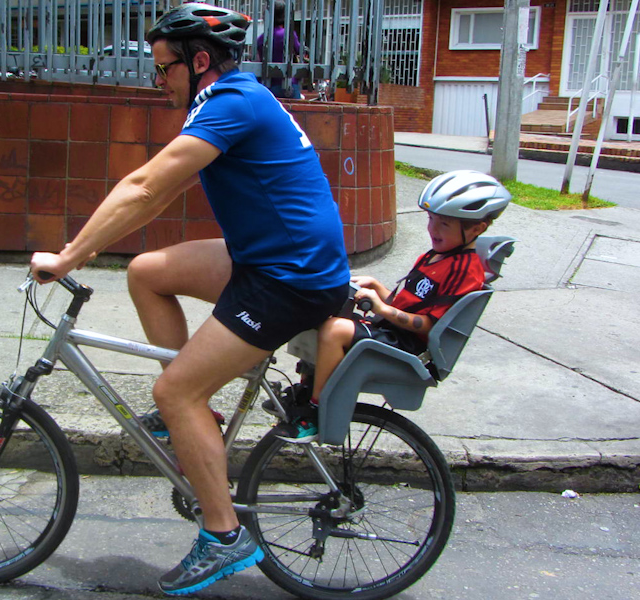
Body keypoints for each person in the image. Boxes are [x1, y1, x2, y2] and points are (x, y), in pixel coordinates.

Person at [28, 2, 350, 595]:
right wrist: (88, 245)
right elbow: (155, 193)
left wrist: (69, 256)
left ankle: (223, 535)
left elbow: (147, 187)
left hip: (289, 276)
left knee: (173, 390)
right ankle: (199, 419)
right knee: (148, 272)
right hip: (268, 255)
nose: (159, 81)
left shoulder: (231, 104)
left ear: (200, 61)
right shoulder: (230, 97)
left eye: (164, 68)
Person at [271, 171, 512, 443]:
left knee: (334, 330)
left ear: (477, 229)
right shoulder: (434, 257)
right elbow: (408, 304)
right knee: (320, 307)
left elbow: (428, 324)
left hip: (410, 348)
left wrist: (382, 310)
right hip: (394, 333)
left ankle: (314, 414)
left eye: (444, 224)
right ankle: (305, 392)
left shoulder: (464, 270)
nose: (433, 229)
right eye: (431, 220)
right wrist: (379, 290)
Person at [256, 0, 301, 99]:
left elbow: (257, 59)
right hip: (288, 83)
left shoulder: (261, 38)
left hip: (268, 84)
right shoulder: (289, 34)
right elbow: (300, 52)